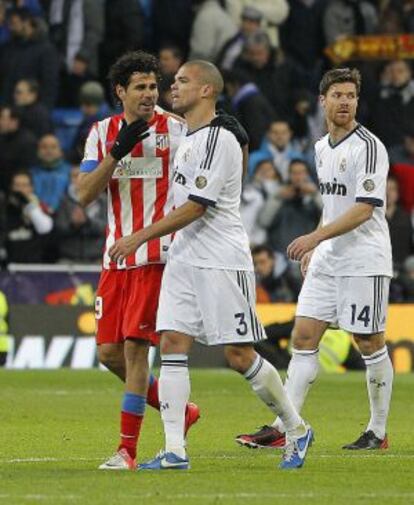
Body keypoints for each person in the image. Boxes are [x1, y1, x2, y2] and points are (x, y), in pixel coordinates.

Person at [109, 60, 313, 470]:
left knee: (239, 354)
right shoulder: (190, 136)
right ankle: (174, 451)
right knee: (171, 344)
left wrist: (139, 236)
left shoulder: (219, 137)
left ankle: (295, 427)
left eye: (182, 81)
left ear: (206, 91)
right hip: (184, 256)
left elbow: (197, 207)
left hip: (220, 258)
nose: (173, 87)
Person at [237, 67, 394, 451]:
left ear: (357, 101)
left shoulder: (369, 147)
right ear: (323, 101)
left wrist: (315, 237)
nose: (344, 102)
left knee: (368, 341)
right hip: (330, 257)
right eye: (337, 95)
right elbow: (332, 205)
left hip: (364, 258)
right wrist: (318, 248)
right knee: (303, 337)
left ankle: (377, 431)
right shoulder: (322, 147)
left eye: (351, 96)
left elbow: (363, 209)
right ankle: (286, 425)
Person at [78, 50, 200, 471]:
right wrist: (117, 151)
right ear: (120, 92)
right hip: (116, 258)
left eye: (154, 87)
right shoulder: (102, 132)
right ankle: (180, 410)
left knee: (134, 352)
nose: (150, 95)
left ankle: (126, 450)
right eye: (140, 88)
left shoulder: (178, 130)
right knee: (108, 354)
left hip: (158, 257)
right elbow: (83, 193)